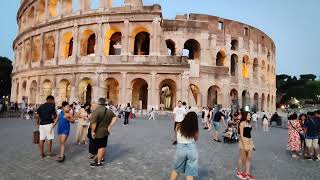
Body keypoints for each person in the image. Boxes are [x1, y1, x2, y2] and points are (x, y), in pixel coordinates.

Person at [169, 112, 199, 180]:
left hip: (181, 148)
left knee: (176, 170)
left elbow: (176, 137)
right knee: (190, 173)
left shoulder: (178, 125)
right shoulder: (194, 127)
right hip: (192, 149)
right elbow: (196, 138)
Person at [90, 98, 118, 167]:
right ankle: (101, 158)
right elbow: (115, 117)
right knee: (103, 145)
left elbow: (94, 123)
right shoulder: (108, 110)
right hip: (106, 131)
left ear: (98, 103)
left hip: (98, 132)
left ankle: (98, 162)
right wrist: (110, 125)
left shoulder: (96, 111)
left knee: (100, 147)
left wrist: (93, 131)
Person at [36, 95, 57, 160]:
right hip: (49, 124)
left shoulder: (41, 106)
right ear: (51, 100)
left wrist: (37, 123)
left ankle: (41, 154)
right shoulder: (52, 106)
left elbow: (37, 116)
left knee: (41, 139)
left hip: (41, 125)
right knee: (49, 139)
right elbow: (54, 116)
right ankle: (49, 153)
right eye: (53, 100)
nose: (54, 101)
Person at [237, 112, 255, 180]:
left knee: (249, 158)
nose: (249, 116)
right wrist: (245, 145)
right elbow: (241, 135)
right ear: (245, 116)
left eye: (250, 115)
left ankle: (247, 173)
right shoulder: (242, 123)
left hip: (249, 142)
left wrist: (252, 143)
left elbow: (249, 135)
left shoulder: (249, 124)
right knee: (242, 158)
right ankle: (239, 172)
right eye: (247, 115)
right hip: (243, 142)